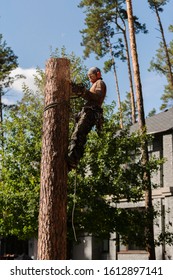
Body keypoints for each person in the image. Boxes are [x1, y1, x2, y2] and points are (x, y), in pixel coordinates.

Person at [68, 67, 106, 171]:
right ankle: (72, 157)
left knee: (79, 134)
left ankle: (73, 159)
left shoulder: (100, 83)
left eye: (91, 76)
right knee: (76, 133)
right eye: (88, 77)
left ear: (98, 74)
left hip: (91, 113)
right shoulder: (94, 84)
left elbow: (97, 97)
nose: (90, 79)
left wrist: (83, 92)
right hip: (88, 112)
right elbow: (90, 97)